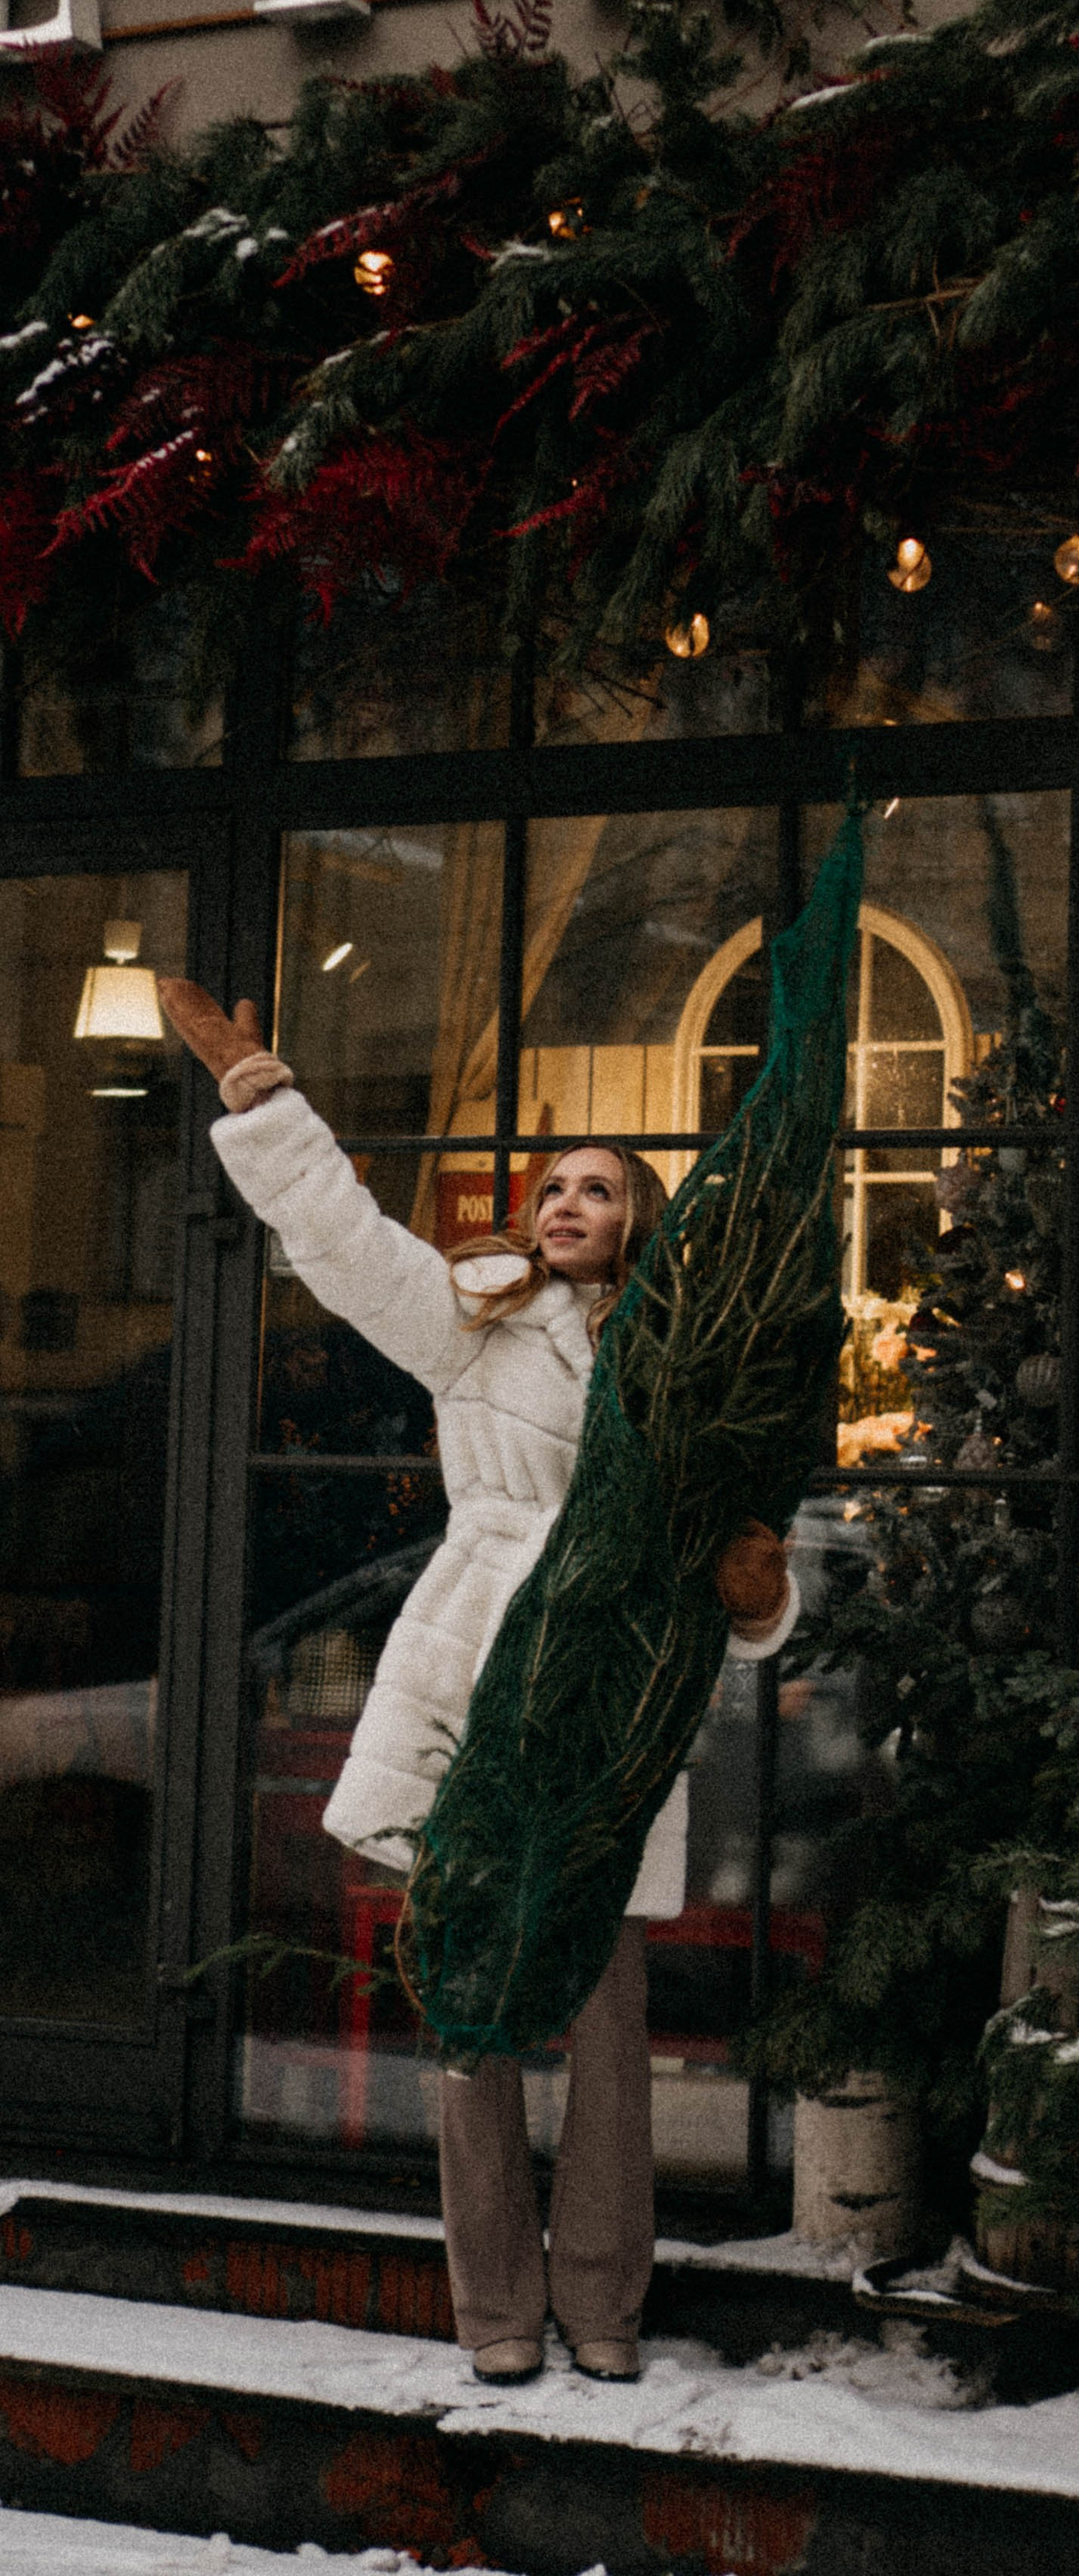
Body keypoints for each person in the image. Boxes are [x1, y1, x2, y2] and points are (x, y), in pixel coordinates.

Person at [160, 981, 797, 2390]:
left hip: (611, 1718)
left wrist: (763, 1600)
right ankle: (496, 2307)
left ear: (641, 1222)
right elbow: (343, 1245)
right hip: (476, 1692)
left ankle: (605, 2303)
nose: (568, 1200)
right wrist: (265, 1099)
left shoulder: (686, 1364)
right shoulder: (479, 1320)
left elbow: (737, 1576)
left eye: (600, 1187)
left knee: (609, 2029)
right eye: (554, 1183)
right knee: (470, 2014)